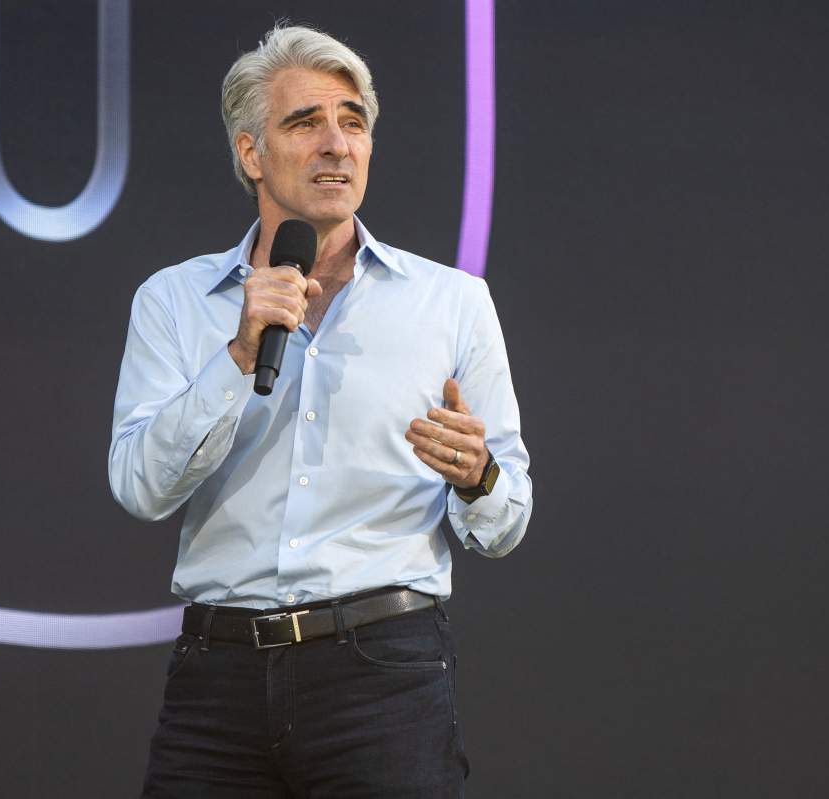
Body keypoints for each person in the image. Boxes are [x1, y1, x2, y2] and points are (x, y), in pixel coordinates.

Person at [109, 24, 532, 798]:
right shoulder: (173, 300)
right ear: (250, 153)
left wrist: (478, 476)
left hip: (383, 675)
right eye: (305, 122)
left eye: (353, 121)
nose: (336, 143)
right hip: (219, 679)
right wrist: (237, 359)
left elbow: (507, 521)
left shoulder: (452, 303)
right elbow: (140, 486)